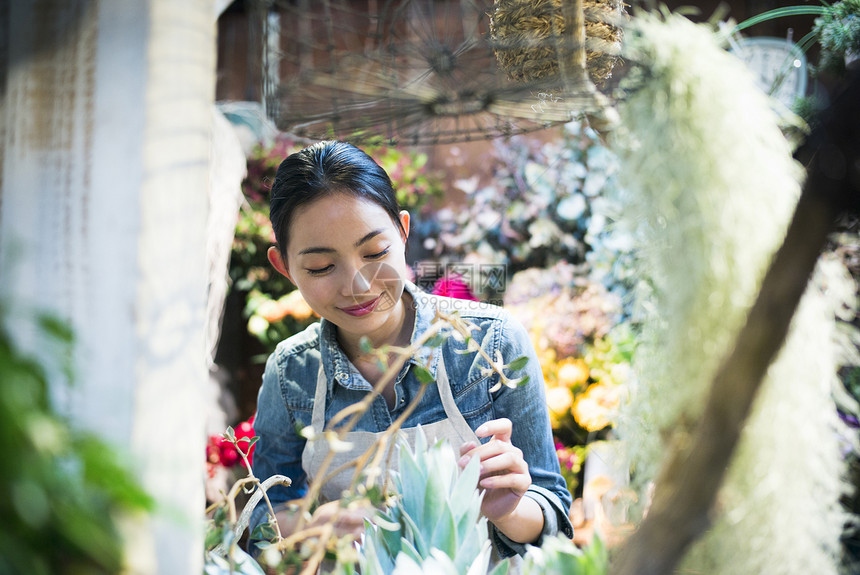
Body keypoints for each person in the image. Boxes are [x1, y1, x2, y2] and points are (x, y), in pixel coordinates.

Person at [248, 141, 573, 562]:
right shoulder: (292, 373)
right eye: (321, 267)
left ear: (403, 232)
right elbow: (263, 524)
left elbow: (554, 517)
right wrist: (312, 527)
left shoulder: (489, 343)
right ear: (284, 267)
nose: (358, 285)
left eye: (375, 252)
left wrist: (509, 511)